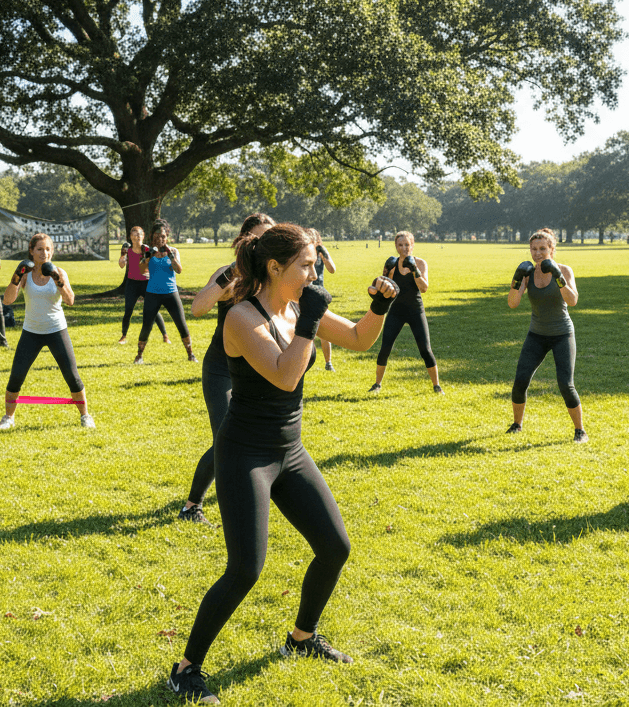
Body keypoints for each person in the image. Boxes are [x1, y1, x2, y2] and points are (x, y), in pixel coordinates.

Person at [167, 224, 398, 704]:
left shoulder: (296, 306)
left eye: (314, 264)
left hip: (289, 451)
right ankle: (185, 668)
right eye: (306, 265)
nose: (314, 272)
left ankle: (301, 638)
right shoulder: (241, 318)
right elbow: (284, 377)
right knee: (245, 570)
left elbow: (357, 338)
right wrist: (310, 323)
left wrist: (379, 304)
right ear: (275, 268)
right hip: (245, 455)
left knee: (335, 547)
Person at [182, 213, 276, 526]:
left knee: (257, 437)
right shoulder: (229, 274)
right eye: (260, 240)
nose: (265, 247)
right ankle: (191, 505)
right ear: (244, 242)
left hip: (259, 371)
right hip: (222, 367)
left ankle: (259, 491)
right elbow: (198, 308)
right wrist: (231, 275)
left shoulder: (275, 276)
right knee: (226, 437)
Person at [0, 233, 94, 429]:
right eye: (40, 249)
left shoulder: (59, 271)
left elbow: (70, 301)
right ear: (32, 251)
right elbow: (7, 300)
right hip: (31, 331)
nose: (45, 253)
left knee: (72, 376)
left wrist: (58, 280)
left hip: (56, 329)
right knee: (16, 375)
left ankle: (85, 416)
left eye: (48, 249)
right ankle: (8, 418)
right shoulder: (26, 274)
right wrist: (16, 277)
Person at [505, 228, 587, 442]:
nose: (538, 253)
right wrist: (516, 279)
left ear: (552, 249)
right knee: (520, 380)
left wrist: (558, 277)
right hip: (537, 334)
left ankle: (580, 430)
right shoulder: (528, 273)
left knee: (565, 384)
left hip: (562, 334)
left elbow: (573, 300)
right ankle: (516, 425)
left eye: (543, 248)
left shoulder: (564, 270)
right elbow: (512, 304)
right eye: (534, 249)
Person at [369, 231, 442, 394]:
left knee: (425, 349)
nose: (404, 248)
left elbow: (424, 288)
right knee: (385, 348)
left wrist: (414, 269)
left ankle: (437, 386)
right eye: (400, 245)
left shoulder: (421, 263)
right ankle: (377, 385)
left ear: (413, 245)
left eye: (407, 245)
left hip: (416, 310)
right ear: (396, 246)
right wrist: (377, 284)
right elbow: (382, 286)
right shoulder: (392, 264)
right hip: (396, 311)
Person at [134, 219, 195, 364]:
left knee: (181, 324)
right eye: (157, 235)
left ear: (167, 236)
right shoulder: (148, 251)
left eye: (163, 236)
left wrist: (170, 256)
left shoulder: (173, 251)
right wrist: (147, 258)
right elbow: (142, 270)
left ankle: (191, 355)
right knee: (146, 325)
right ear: (152, 236)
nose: (160, 239)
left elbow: (179, 270)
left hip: (170, 293)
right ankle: (139, 356)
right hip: (153, 294)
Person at [117, 225, 168, 345]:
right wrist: (123, 256)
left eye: (139, 234)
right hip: (132, 284)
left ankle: (165, 336)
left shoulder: (147, 249)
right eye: (134, 234)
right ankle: (123, 336)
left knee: (154, 310)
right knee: (128, 310)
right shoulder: (128, 250)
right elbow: (121, 265)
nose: (137, 236)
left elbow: (157, 259)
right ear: (130, 237)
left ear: (143, 236)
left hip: (147, 283)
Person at [309, 228, 338, 371]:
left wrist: (323, 253)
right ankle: (305, 362)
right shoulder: (302, 253)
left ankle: (328, 363)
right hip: (303, 294)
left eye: (314, 241)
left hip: (319, 293)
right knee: (305, 330)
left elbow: (332, 269)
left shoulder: (322, 252)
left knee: (324, 329)